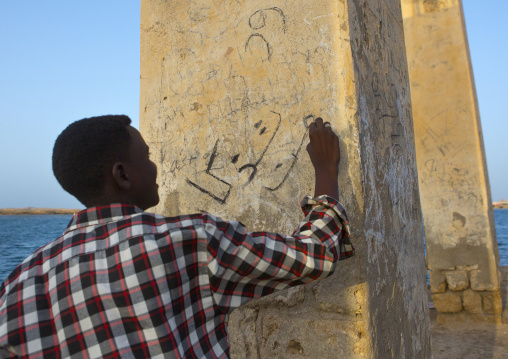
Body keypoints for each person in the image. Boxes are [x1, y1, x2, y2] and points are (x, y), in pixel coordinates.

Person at [0, 115, 354, 358]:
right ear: (122, 175)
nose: (156, 166)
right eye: (148, 156)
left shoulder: (18, 286)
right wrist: (325, 170)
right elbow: (315, 254)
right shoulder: (186, 240)